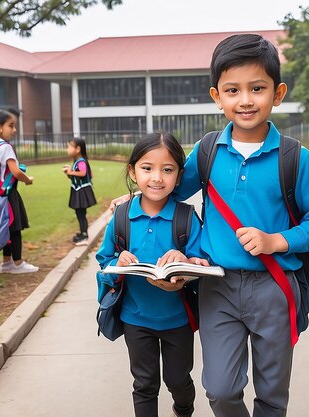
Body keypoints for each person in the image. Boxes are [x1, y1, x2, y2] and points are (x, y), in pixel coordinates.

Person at [111, 34, 309, 417]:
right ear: (218, 96)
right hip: (218, 288)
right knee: (219, 389)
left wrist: (276, 240)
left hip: (275, 288)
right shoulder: (209, 150)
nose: (245, 100)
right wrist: (134, 200)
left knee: (272, 392)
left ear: (277, 93)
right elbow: (166, 192)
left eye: (257, 88)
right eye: (233, 90)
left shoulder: (295, 158)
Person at [96, 132, 208, 417]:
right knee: (144, 384)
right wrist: (118, 263)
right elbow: (104, 262)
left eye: (167, 170)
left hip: (177, 320)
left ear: (179, 176)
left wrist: (185, 260)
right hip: (135, 318)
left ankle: (184, 410)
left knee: (178, 380)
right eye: (147, 168)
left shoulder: (186, 216)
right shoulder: (121, 216)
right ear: (133, 172)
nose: (157, 177)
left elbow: (202, 261)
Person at [0, 110, 39, 275]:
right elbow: (15, 172)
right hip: (9, 195)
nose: (14, 129)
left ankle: (6, 263)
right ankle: (18, 263)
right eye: (11, 126)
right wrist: (28, 180)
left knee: (6, 228)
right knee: (15, 229)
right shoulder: (6, 147)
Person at [63, 137, 96, 246]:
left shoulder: (81, 161)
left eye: (69, 146)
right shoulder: (77, 161)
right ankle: (82, 233)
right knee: (79, 213)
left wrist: (71, 172)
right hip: (78, 191)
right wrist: (70, 173)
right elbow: (77, 177)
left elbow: (82, 173)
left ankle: (84, 236)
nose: (67, 149)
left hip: (82, 192)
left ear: (78, 149)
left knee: (81, 214)